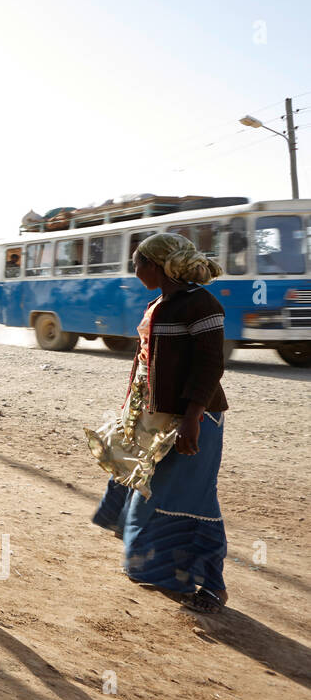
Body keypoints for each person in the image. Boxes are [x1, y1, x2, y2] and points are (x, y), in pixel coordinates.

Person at [85, 233, 228, 614]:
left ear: (157, 265)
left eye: (137, 264)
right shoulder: (159, 304)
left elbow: (210, 365)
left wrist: (192, 420)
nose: (134, 271)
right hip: (155, 417)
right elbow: (147, 363)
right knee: (144, 486)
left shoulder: (201, 303)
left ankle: (212, 587)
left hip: (189, 419)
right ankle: (160, 570)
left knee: (190, 498)